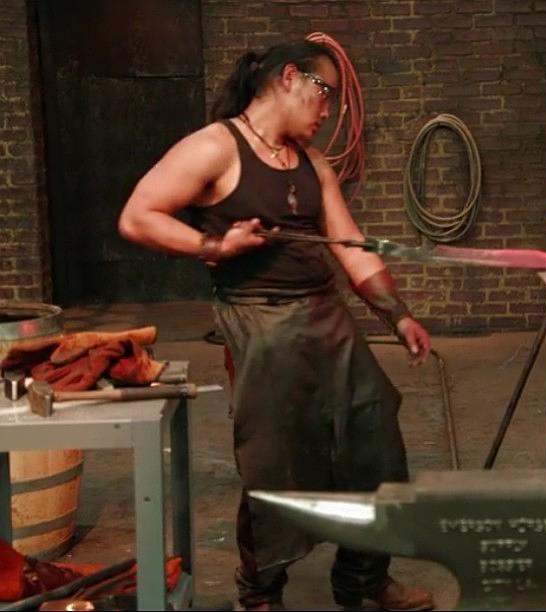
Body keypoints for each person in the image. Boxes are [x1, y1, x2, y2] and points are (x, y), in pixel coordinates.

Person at [118, 40, 433, 612]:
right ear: (290, 78)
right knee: (277, 456)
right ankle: (260, 592)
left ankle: (362, 576)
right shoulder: (216, 147)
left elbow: (351, 245)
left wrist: (399, 314)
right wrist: (214, 245)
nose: (328, 112)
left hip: (323, 312)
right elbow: (138, 216)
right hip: (257, 316)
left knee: (375, 437)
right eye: (324, 95)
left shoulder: (312, 163)